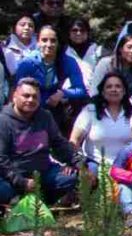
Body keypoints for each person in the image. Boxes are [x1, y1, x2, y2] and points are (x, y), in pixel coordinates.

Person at [0, 79, 86, 207]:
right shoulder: (3, 121)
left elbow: (59, 144)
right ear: (14, 96)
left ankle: (39, 201)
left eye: (35, 97)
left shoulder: (45, 116)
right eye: (26, 96)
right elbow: (1, 159)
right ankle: (21, 200)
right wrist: (22, 182)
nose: (30, 100)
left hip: (43, 172)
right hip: (13, 176)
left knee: (70, 178)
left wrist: (78, 165)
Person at [16, 24, 88, 130]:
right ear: (38, 42)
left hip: (54, 110)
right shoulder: (28, 62)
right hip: (30, 109)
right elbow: (18, 91)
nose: (48, 44)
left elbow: (81, 90)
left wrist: (63, 93)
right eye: (44, 40)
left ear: (59, 43)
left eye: (53, 41)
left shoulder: (67, 61)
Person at [70, 71, 132, 175]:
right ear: (103, 92)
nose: (114, 89)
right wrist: (80, 165)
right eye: (109, 87)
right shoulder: (90, 111)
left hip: (126, 166)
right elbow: (74, 140)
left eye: (118, 86)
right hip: (94, 164)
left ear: (124, 91)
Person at [93, 33, 132, 110]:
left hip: (123, 109)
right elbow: (95, 92)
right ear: (120, 49)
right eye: (129, 47)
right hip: (100, 107)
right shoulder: (106, 63)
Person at [66, 18, 101, 96]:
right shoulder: (63, 52)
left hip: (92, 96)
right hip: (68, 95)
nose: (78, 33)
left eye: (82, 30)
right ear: (69, 33)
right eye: (75, 30)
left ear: (88, 32)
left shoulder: (97, 50)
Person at [5, 14, 37, 80]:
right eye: (22, 25)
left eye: (30, 26)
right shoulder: (5, 48)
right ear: (14, 28)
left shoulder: (40, 45)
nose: (27, 28)